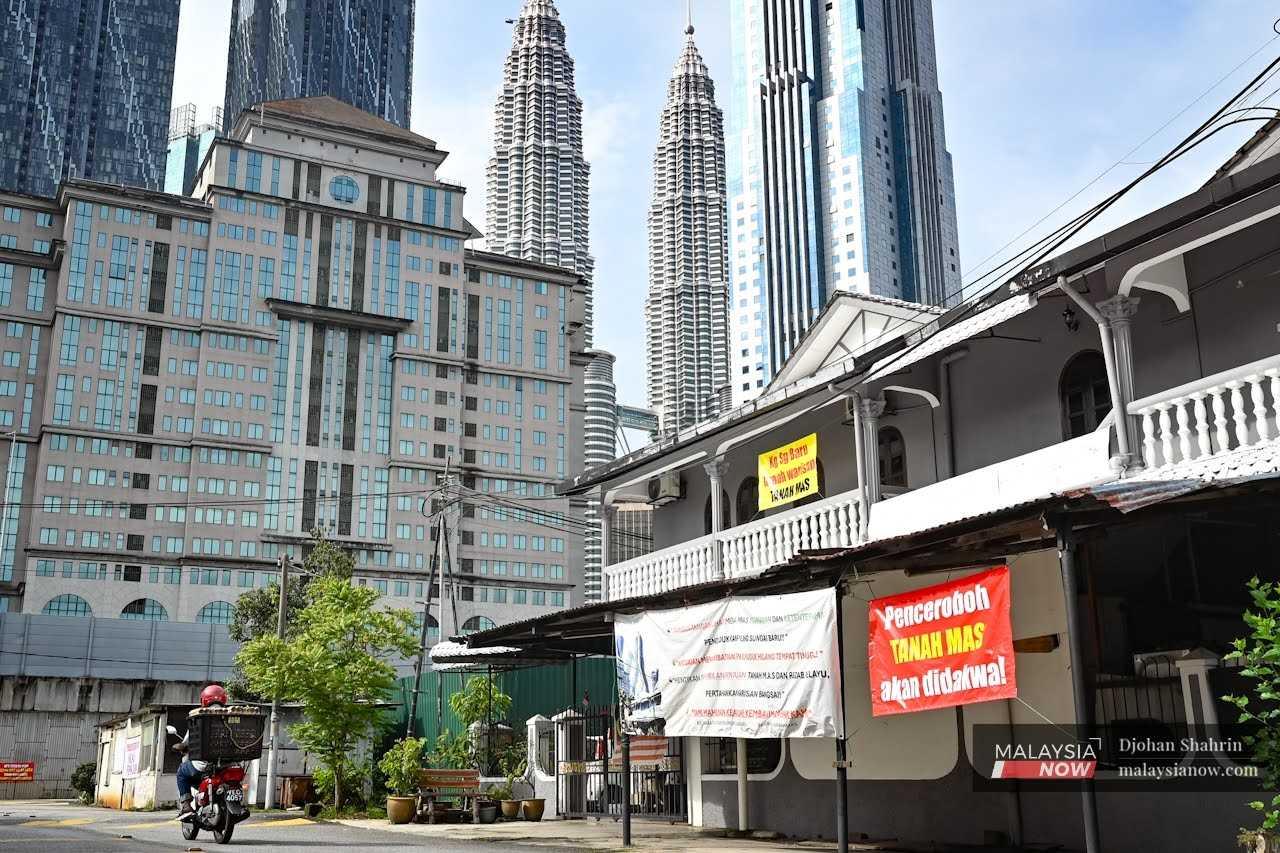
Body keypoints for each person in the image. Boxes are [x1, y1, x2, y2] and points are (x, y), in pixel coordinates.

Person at [175, 684, 227, 818]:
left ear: (204, 701)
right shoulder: (233, 716)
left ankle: (186, 806)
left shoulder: (200, 718)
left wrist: (181, 746)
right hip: (228, 764)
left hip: (203, 764)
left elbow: (187, 742)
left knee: (181, 772)